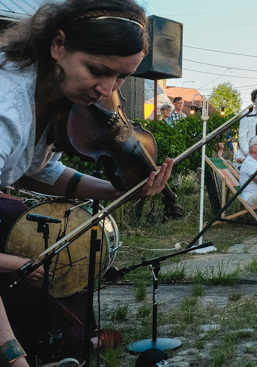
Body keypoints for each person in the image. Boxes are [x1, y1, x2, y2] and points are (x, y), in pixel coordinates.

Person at [0, 0, 172, 363]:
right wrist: (12, 353)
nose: (106, 89)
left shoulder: (50, 97)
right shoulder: (6, 110)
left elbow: (40, 170)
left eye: (122, 77)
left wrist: (118, 191)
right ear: (58, 45)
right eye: (97, 69)